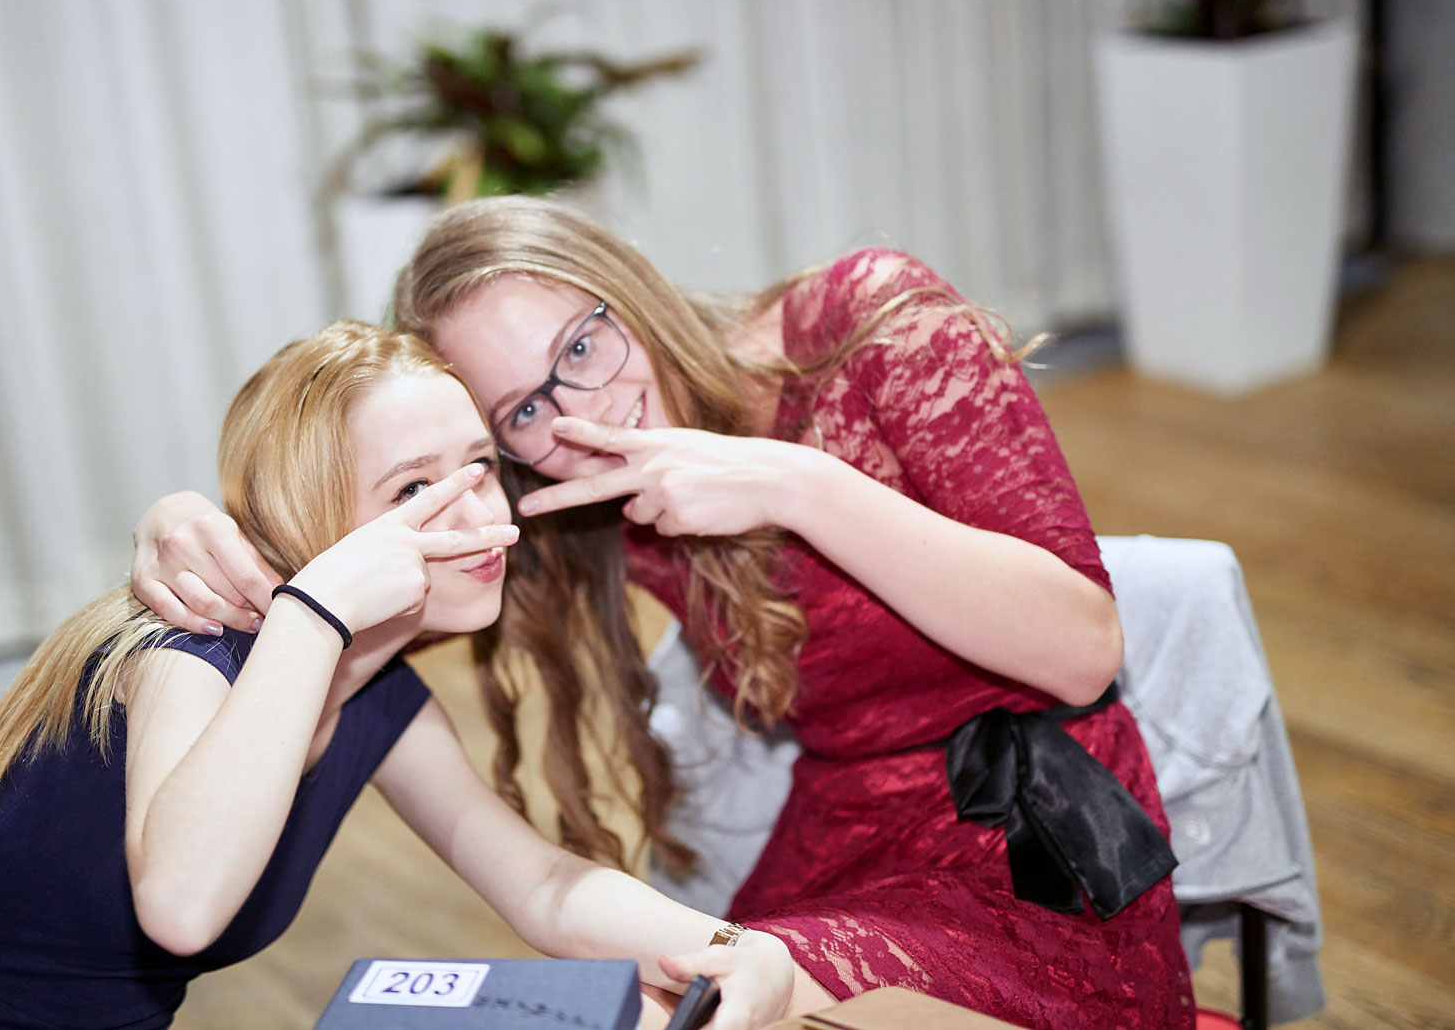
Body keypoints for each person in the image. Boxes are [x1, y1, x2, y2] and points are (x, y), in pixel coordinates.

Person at [130, 198, 1198, 1028]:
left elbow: (1083, 651)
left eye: (580, 347)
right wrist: (192, 520)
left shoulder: (868, 321)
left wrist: (791, 482)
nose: (583, 411)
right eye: (524, 410)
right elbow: (361, 544)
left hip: (1035, 836)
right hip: (851, 834)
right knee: (670, 999)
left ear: (625, 289)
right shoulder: (579, 490)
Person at [0, 321, 798, 1030]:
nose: (478, 511)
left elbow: (541, 883)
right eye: (412, 488)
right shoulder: (185, 655)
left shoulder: (380, 695)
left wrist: (731, 946)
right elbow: (181, 907)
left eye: (478, 466)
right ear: (315, 524)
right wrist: (315, 611)